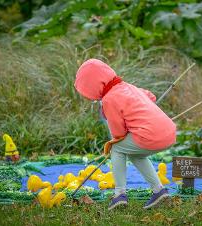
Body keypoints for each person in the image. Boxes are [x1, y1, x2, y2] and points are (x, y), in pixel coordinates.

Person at [74, 59, 176, 210]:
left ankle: (119, 194)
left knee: (117, 149)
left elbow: (118, 132)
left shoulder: (109, 99)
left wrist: (115, 140)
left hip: (150, 135)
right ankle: (159, 191)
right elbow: (151, 97)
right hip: (169, 131)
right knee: (136, 154)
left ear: (92, 86)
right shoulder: (128, 86)